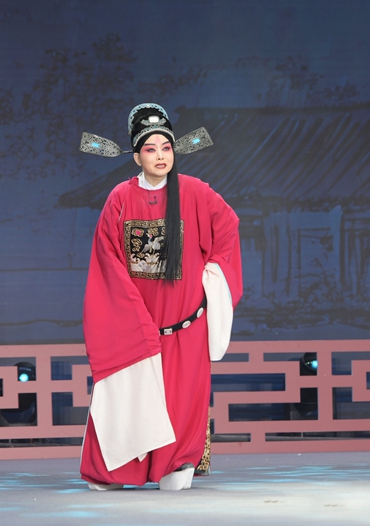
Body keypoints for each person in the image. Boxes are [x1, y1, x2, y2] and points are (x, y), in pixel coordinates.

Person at [79, 103, 243, 490]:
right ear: (137, 156)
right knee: (131, 399)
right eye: (150, 150)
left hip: (186, 326)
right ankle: (121, 469)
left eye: (166, 148)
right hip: (137, 326)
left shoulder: (195, 192)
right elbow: (107, 258)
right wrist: (130, 315)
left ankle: (177, 463)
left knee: (183, 400)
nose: (160, 157)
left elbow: (228, 229)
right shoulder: (120, 198)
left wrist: (211, 275)